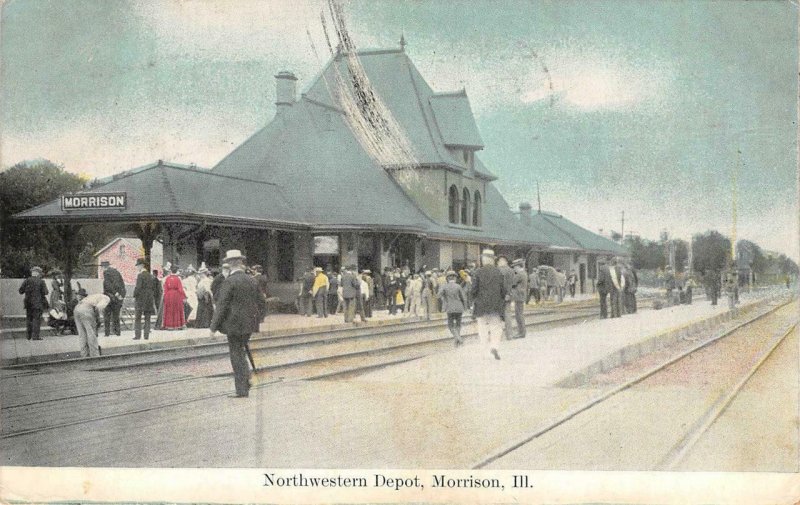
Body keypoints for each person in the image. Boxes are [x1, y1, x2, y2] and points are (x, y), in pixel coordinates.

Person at [210, 250, 267, 398]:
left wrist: (213, 327)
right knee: (241, 351)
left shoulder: (229, 281)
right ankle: (246, 380)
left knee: (236, 355)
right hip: (249, 324)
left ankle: (242, 389)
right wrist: (258, 318)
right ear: (241, 263)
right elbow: (262, 302)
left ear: (229, 264)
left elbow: (222, 305)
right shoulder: (252, 280)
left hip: (233, 324)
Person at [471, 249, 507, 360]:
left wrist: (474, 300)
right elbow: (503, 291)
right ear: (492, 260)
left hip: (481, 305)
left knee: (482, 328)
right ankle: (494, 347)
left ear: (483, 259)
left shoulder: (477, 272)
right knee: (496, 328)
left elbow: (473, 290)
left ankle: (483, 351)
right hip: (496, 306)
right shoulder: (499, 272)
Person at [74, 289, 110, 357]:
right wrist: (98, 321)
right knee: (91, 334)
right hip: (86, 310)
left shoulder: (92, 297)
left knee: (82, 334)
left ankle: (84, 354)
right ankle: (95, 355)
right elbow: (98, 308)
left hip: (77, 309)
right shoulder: (106, 298)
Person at [19, 265, 49, 340]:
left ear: (32, 272)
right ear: (38, 273)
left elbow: (20, 291)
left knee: (29, 319)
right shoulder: (41, 281)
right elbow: (46, 292)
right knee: (36, 319)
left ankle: (28, 336)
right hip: (38, 304)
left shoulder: (27, 280)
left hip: (28, 304)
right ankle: (35, 336)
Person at [438, 270, 467, 346]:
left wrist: (444, 296)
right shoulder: (458, 286)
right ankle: (457, 340)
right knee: (458, 324)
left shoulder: (444, 286)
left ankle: (458, 339)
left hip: (450, 308)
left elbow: (438, 295)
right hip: (459, 307)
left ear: (447, 278)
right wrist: (465, 308)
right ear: (455, 278)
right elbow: (464, 298)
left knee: (450, 325)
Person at [133, 258, 157, 340]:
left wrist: (134, 295)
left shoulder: (140, 275)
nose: (137, 267)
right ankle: (146, 335)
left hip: (140, 299)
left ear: (141, 266)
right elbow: (154, 288)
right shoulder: (150, 275)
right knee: (147, 318)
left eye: (138, 266)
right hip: (149, 299)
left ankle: (137, 335)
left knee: (138, 318)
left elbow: (138, 288)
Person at [101, 262, 126, 336]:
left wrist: (115, 293)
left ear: (104, 267)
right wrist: (121, 295)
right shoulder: (117, 272)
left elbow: (108, 285)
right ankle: (117, 332)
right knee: (116, 316)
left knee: (107, 316)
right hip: (118, 298)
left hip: (109, 297)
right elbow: (122, 285)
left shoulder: (106, 272)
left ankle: (107, 333)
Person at [162, 264, 187, 329]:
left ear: (170, 270)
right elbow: (180, 289)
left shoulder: (167, 278)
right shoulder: (178, 279)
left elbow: (165, 288)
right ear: (176, 271)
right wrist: (184, 296)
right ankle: (177, 325)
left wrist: (165, 296)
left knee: (169, 310)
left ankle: (169, 325)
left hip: (168, 295)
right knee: (177, 310)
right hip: (176, 295)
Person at [496, 256, 514, 340]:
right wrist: (509, 294)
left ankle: (500, 336)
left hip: (501, 296)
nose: (498, 263)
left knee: (498, 317)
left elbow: (507, 284)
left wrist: (507, 294)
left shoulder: (500, 270)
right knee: (507, 316)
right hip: (506, 296)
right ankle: (509, 335)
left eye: (499, 261)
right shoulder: (511, 270)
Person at [510, 258, 528, 339]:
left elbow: (512, 282)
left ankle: (521, 332)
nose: (514, 268)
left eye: (515, 267)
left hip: (518, 296)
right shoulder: (524, 273)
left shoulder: (519, 274)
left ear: (518, 266)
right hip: (521, 296)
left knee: (519, 315)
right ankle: (522, 332)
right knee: (520, 314)